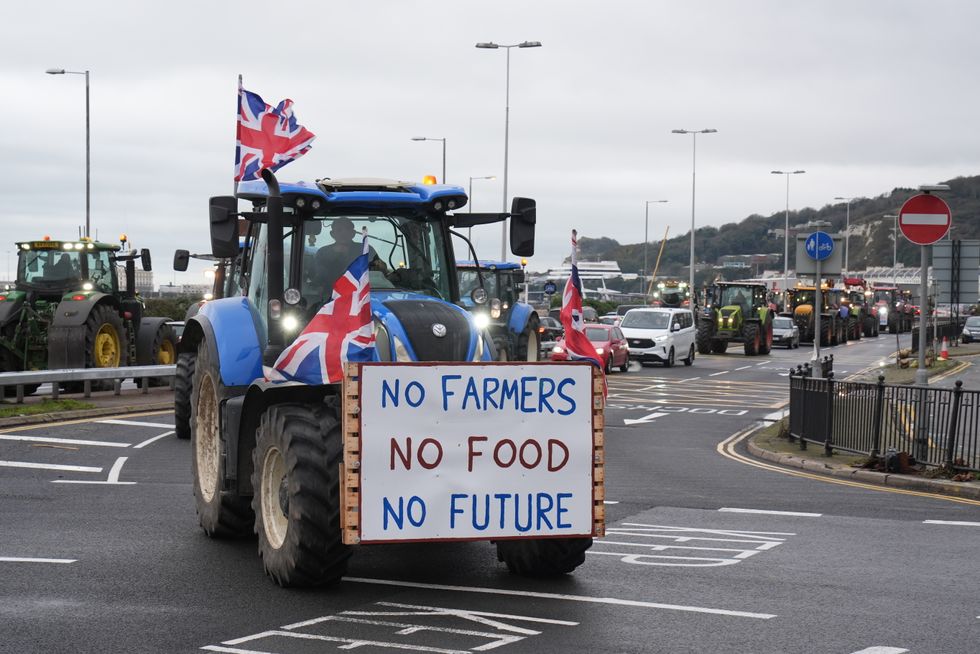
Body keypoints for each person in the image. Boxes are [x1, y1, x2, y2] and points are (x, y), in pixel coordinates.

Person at [314, 217, 385, 293]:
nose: (343, 233)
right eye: (339, 230)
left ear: (353, 233)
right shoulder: (323, 252)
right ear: (332, 234)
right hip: (329, 297)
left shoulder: (366, 249)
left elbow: (381, 269)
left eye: (347, 229)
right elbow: (317, 277)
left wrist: (380, 266)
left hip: (361, 296)